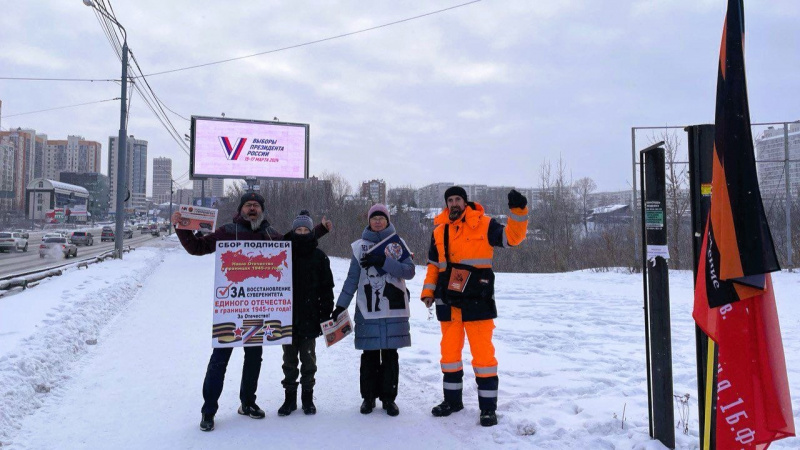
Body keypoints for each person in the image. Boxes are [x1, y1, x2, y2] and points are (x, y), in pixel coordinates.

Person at [172, 192, 331, 432]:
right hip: (231, 312)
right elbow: (198, 247)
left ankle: (247, 403)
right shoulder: (228, 231)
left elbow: (295, 243)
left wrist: (318, 229)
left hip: (258, 310)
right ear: (241, 209)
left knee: (254, 358)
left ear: (262, 210)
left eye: (256, 205)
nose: (253, 208)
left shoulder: (269, 234)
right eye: (248, 205)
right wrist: (182, 228)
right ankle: (208, 411)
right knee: (219, 360)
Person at [421, 186, 528, 427]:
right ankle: (452, 401)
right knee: (449, 356)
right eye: (450, 200)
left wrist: (518, 211)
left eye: (458, 199)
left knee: (483, 356)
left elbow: (513, 238)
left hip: (477, 299)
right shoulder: (439, 230)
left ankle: (488, 409)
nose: (454, 203)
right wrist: (428, 291)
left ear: (466, 202)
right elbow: (432, 265)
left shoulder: (484, 223)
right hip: (448, 301)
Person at [332, 204, 414, 417]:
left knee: (390, 356)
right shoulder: (359, 247)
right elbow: (352, 279)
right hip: (367, 309)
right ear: (368, 221)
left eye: (382, 218)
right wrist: (341, 305)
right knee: (369, 356)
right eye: (374, 218)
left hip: (393, 310)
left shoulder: (398, 243)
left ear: (388, 220)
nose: (378, 221)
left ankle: (389, 399)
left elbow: (409, 271)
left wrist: (384, 261)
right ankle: (368, 398)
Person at [277, 211, 335, 417]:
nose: (302, 233)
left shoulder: (320, 257)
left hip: (310, 317)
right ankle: (289, 399)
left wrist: (325, 314)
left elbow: (327, 288)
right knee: (289, 361)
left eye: (306, 230)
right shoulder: (282, 254)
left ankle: (307, 398)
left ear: (311, 232)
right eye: (298, 230)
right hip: (286, 317)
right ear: (293, 232)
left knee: (309, 361)